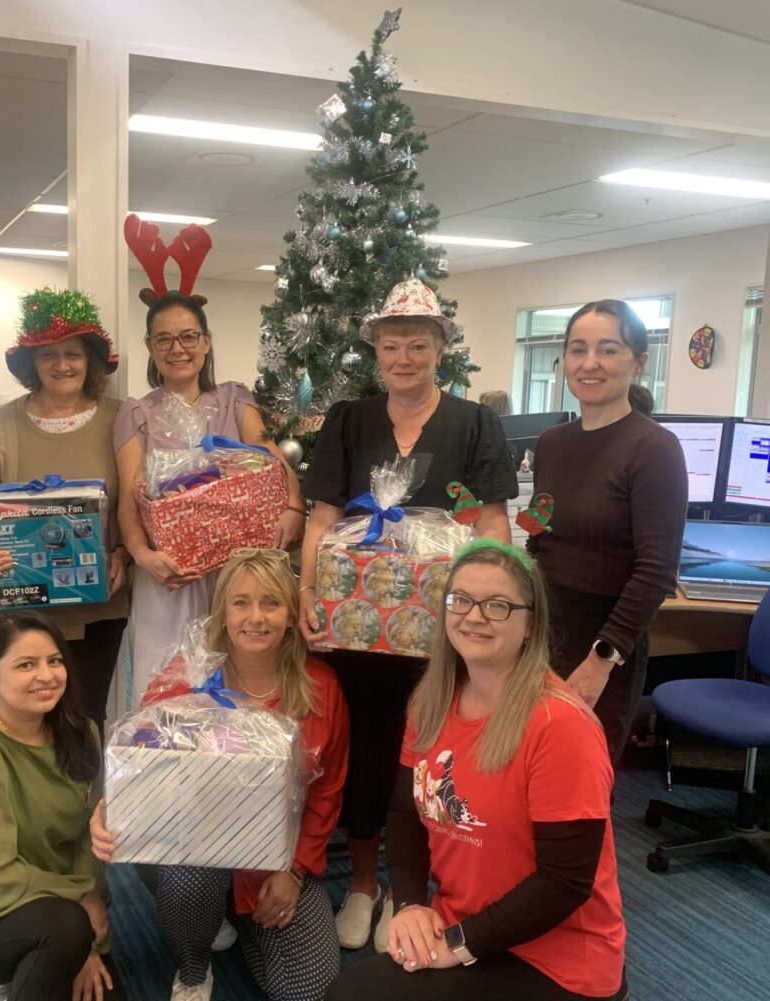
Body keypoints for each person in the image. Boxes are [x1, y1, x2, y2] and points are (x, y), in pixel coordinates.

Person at [299, 278, 518, 951]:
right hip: (359, 628)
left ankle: (410, 883)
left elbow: (492, 524)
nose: (403, 356)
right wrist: (310, 591)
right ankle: (363, 879)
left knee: (429, 753)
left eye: (417, 344)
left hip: (443, 634)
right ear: (376, 351)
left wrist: (490, 609)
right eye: (391, 344)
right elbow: (323, 518)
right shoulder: (350, 419)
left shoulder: (475, 423)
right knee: (365, 750)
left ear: (440, 348)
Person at [327, 540, 628, 1001]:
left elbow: (564, 882)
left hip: (558, 961)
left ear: (530, 624)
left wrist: (461, 944)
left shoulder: (560, 725)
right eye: (461, 600)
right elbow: (406, 812)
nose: (474, 616)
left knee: (356, 995)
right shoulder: (432, 702)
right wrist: (407, 904)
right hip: (465, 925)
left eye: (498, 605)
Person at [91, 548, 348, 1001]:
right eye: (241, 602)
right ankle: (194, 966)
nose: (256, 617)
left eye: (271, 603)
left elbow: (327, 792)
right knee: (190, 880)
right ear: (222, 612)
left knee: (307, 990)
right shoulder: (187, 679)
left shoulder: (320, 687)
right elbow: (139, 768)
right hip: (192, 852)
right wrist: (108, 809)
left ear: (291, 615)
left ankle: (239, 918)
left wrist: (294, 872)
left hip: (276, 861)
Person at [0, 611, 125, 1001]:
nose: (46, 675)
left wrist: (90, 945)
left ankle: (32, 967)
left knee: (104, 991)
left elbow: (90, 839)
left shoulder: (84, 733)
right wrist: (82, 904)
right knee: (64, 932)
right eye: (25, 665)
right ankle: (3, 976)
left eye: (55, 661)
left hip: (57, 907)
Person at [114, 290, 305, 704]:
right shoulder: (136, 414)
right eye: (163, 339)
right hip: (168, 578)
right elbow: (128, 503)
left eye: (188, 336)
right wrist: (144, 557)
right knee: (164, 683)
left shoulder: (234, 400)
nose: (177, 348)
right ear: (149, 346)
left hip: (237, 572)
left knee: (242, 676)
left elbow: (270, 460)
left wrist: (294, 505)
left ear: (206, 340)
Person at [0, 287, 130, 732]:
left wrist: (124, 554)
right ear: (30, 364)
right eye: (48, 355)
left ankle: (79, 803)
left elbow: (138, 501)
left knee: (85, 717)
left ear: (90, 359)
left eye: (73, 353)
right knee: (19, 719)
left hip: (96, 605)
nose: (62, 365)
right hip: (17, 600)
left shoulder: (122, 419)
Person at [528, 300, 687, 765]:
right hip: (542, 634)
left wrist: (601, 661)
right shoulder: (552, 442)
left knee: (579, 784)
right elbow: (541, 542)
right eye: (577, 350)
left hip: (606, 645)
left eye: (607, 350)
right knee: (528, 775)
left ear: (639, 362)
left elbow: (656, 572)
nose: (589, 363)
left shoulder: (654, 448)